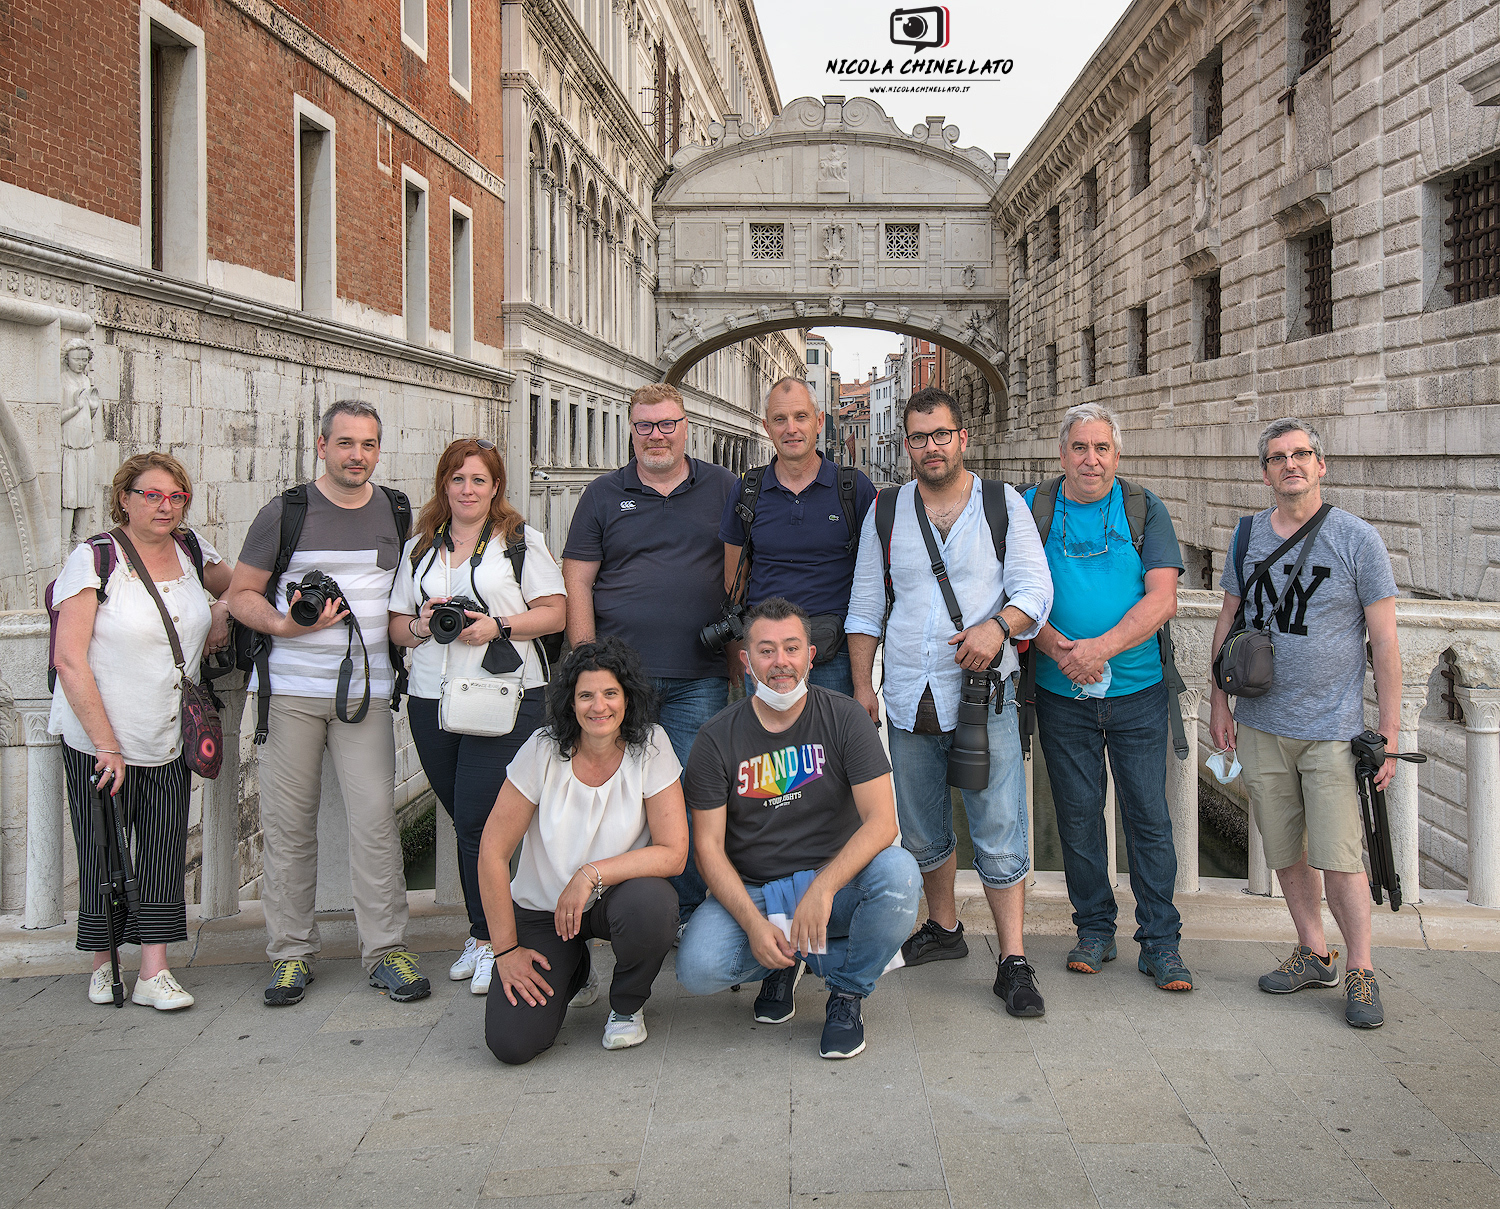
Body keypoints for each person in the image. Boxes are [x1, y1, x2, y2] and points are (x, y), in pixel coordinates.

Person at [845, 387, 1054, 1018]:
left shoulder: (1001, 504)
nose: (931, 447)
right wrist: (863, 685)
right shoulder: (885, 511)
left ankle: (1013, 958)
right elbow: (865, 606)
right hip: (910, 692)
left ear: (962, 439)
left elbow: (1034, 588)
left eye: (941, 435)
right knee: (920, 822)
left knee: (998, 822)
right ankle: (944, 928)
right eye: (918, 437)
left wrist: (999, 628)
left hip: (984, 691)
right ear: (905, 446)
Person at [227, 399, 429, 1007]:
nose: (357, 456)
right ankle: (290, 955)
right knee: (288, 831)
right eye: (345, 444)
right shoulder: (283, 512)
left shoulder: (394, 510)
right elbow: (241, 594)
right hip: (288, 694)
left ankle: (386, 949)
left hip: (364, 697)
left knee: (374, 824)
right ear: (322, 446)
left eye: (367, 445)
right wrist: (285, 627)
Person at [1209, 418, 1402, 1029]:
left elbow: (1386, 641)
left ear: (1322, 465)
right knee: (1286, 848)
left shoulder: (1357, 539)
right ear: (1265, 472)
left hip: (1333, 729)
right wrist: (1220, 700)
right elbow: (1228, 621)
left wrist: (1391, 733)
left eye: (1302, 454)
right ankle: (1313, 950)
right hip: (1262, 723)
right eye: (1277, 457)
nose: (1290, 464)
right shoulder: (1246, 538)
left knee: (1342, 856)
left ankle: (1362, 970)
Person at [677, 598, 920, 1060]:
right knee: (698, 968)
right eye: (766, 651)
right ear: (746, 661)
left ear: (810, 655)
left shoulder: (845, 716)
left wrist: (824, 889)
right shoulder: (715, 737)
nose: (780, 662)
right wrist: (752, 924)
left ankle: (846, 992)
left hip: (837, 884)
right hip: (758, 893)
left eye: (791, 648)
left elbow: (883, 823)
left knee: (900, 875)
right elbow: (706, 848)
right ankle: (784, 961)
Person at [49, 452, 234, 1009]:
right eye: (152, 495)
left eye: (176, 496)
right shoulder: (95, 560)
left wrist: (223, 608)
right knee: (101, 848)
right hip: (98, 735)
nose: (165, 506)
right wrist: (105, 744)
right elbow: (69, 660)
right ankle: (104, 960)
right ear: (124, 498)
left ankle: (154, 971)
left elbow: (244, 588)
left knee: (161, 846)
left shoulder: (193, 549)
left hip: (170, 729)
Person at [389, 438, 565, 996]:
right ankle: (482, 931)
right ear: (444, 484)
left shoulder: (519, 543)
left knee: (479, 824)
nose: (468, 489)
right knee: (466, 819)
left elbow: (555, 612)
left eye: (479, 480)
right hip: (431, 700)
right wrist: (421, 624)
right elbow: (396, 626)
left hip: (507, 697)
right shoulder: (420, 549)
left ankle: (493, 938)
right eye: (458, 479)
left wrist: (498, 626)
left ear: (496, 488)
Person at [1024, 403, 1191, 991]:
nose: (1090, 460)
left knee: (1148, 817)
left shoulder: (1145, 508)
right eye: (1079, 448)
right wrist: (1058, 649)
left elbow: (1161, 600)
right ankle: (1094, 930)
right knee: (1077, 817)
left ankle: (1160, 944)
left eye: (1102, 449)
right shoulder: (1033, 508)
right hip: (1059, 692)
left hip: (1139, 691)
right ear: (1062, 453)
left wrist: (1098, 650)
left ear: (1117, 456)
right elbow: (1011, 592)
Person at [562, 383, 738, 927]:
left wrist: (738, 655)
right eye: (645, 426)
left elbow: (743, 572)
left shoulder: (725, 489)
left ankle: (681, 909)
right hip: (618, 680)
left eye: (666, 424)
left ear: (687, 427)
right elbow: (578, 580)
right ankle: (613, 907)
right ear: (631, 430)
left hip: (698, 676)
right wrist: (588, 663)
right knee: (613, 792)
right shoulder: (601, 494)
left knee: (688, 793)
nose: (656, 435)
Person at [477, 637, 686, 1064]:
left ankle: (626, 1005)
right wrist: (505, 951)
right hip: (545, 911)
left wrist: (590, 873)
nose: (599, 706)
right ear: (570, 703)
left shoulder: (652, 744)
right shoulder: (541, 749)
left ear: (627, 698)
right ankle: (575, 970)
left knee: (652, 906)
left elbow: (673, 852)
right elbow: (492, 852)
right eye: (586, 695)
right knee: (511, 1043)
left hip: (618, 899)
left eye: (611, 693)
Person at [719, 378, 877, 697]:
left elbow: (874, 584)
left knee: (833, 747)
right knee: (770, 747)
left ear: (818, 422)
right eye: (780, 419)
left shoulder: (854, 489)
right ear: (767, 426)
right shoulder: (747, 489)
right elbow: (733, 583)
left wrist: (864, 684)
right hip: (766, 656)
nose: (791, 428)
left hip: (835, 656)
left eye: (800, 416)